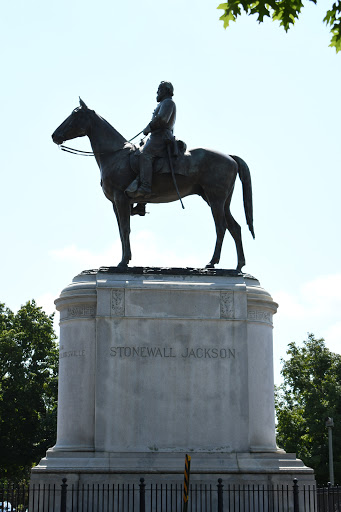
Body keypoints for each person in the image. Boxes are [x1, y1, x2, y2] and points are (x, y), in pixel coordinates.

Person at [127, 81, 176, 200]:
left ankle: (145, 187)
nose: (157, 92)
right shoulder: (164, 103)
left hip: (161, 137)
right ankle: (141, 202)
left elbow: (163, 119)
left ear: (165, 91)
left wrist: (149, 127)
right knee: (138, 154)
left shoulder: (168, 102)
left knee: (145, 155)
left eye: (159, 89)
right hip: (156, 136)